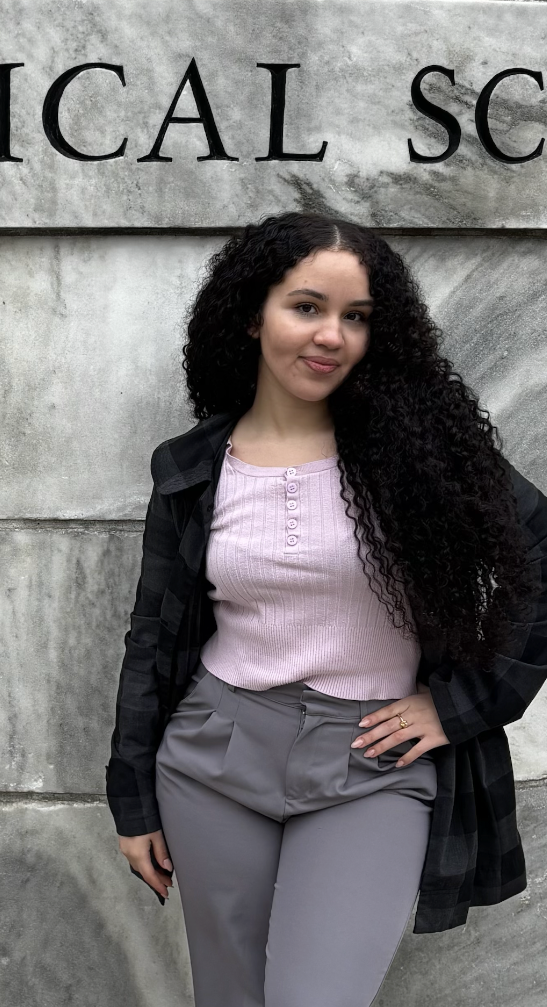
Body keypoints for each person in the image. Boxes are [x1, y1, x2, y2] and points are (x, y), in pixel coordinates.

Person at [105, 212, 547, 1007]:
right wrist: (131, 798)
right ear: (251, 314)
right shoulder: (192, 470)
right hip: (214, 760)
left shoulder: (420, 453)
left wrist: (466, 704)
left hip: (370, 767)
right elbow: (152, 637)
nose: (332, 335)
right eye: (306, 307)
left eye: (356, 317)